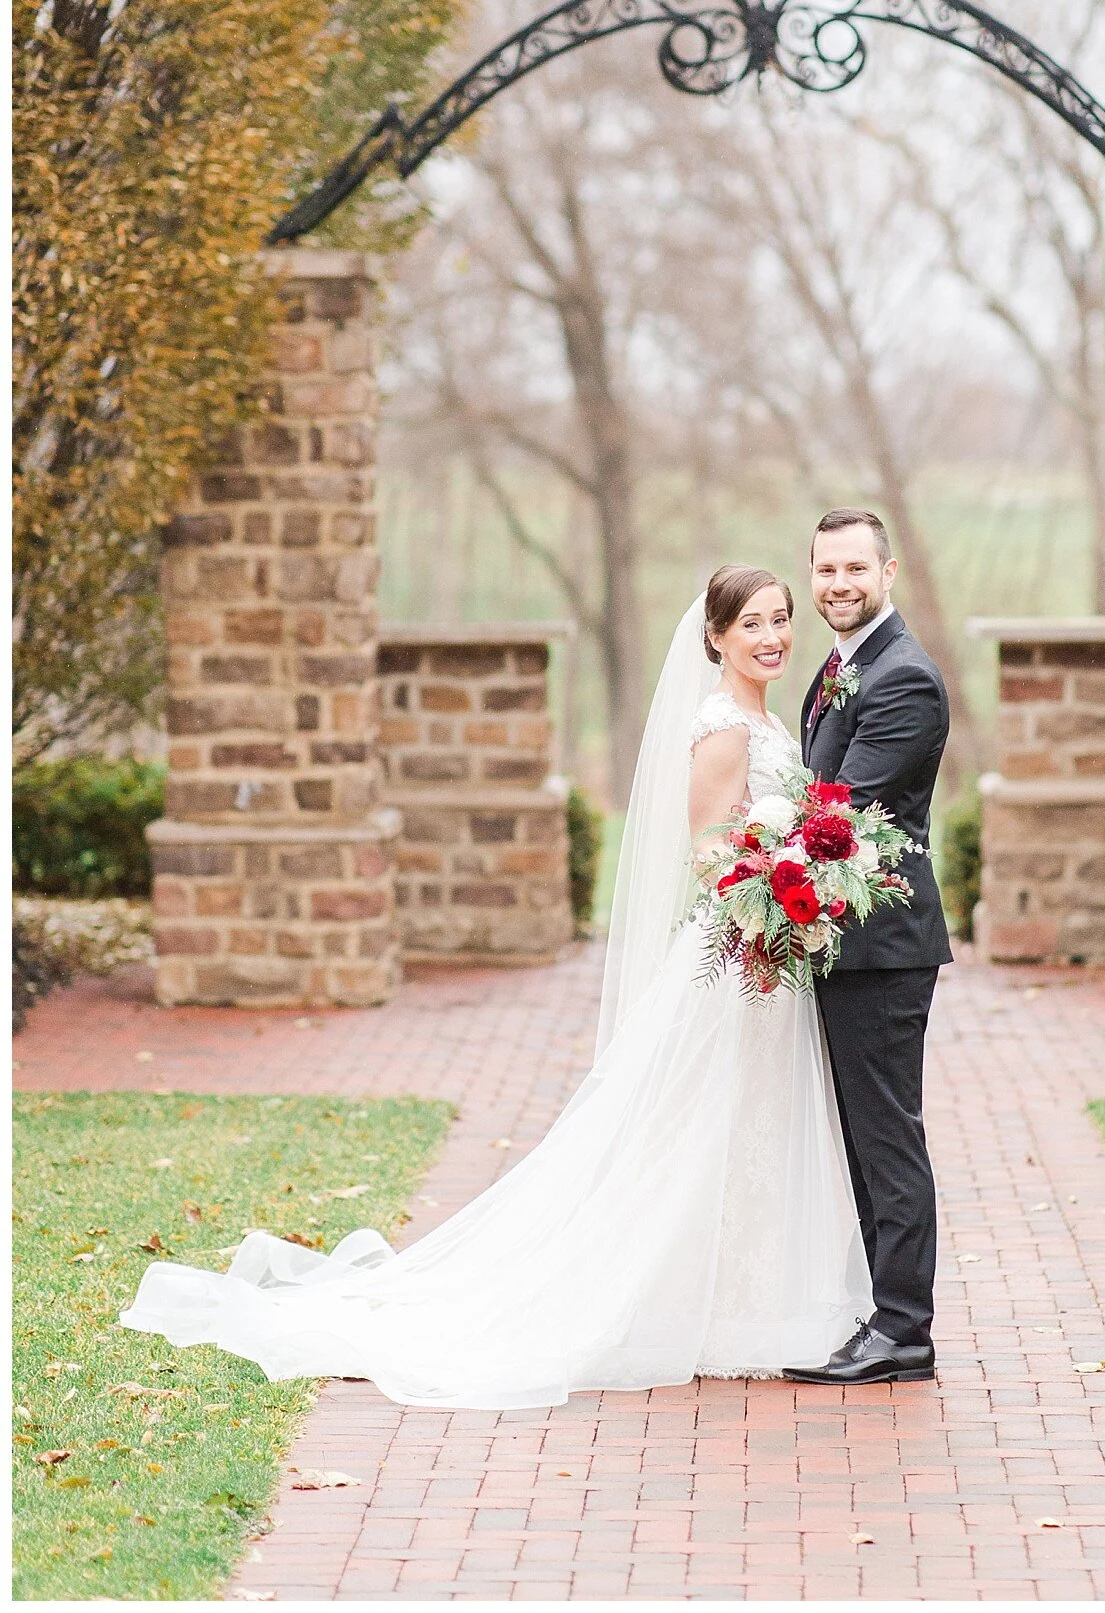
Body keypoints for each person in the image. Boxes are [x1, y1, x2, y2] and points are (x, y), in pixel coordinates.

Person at [120, 566, 873, 1410]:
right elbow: (706, 851)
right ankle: (701, 1301)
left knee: (748, 1122)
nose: (771, 638)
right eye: (751, 627)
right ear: (715, 638)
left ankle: (747, 1297)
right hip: (738, 951)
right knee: (701, 1125)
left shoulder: (772, 717)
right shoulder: (723, 729)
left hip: (767, 957)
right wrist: (774, 882)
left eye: (780, 622)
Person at [784, 509, 951, 1388]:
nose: (837, 584)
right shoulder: (845, 666)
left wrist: (759, 854)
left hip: (882, 945)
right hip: (841, 943)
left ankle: (904, 1330)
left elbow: (839, 812)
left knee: (887, 1135)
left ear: (888, 573)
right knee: (862, 1134)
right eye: (824, 570)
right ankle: (886, 1317)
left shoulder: (904, 679)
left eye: (854, 568)